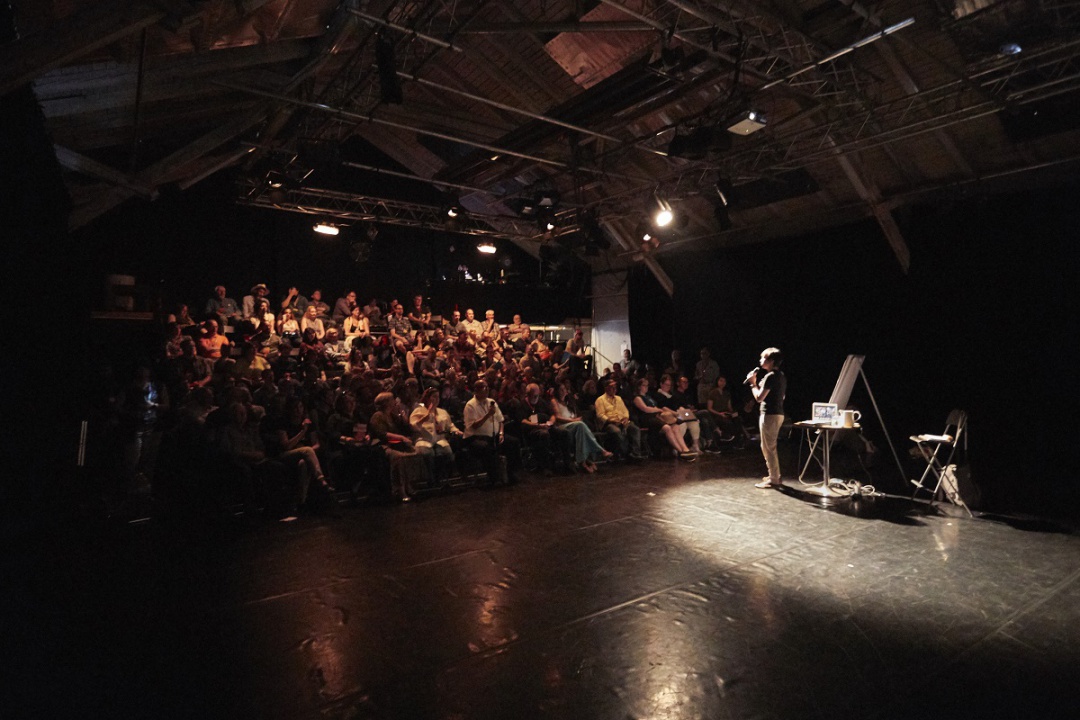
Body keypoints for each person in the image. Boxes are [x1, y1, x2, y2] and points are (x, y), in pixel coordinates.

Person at [462, 380, 520, 485]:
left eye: (487, 387)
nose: (487, 390)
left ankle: (511, 473)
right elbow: (474, 426)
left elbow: (500, 420)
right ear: (477, 390)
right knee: (486, 447)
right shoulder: (470, 405)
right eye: (484, 388)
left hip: (495, 435)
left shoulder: (491, 402)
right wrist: (488, 415)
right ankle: (494, 478)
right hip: (476, 437)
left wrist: (501, 433)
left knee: (513, 442)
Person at [550, 384, 611, 473]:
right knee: (580, 425)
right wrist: (573, 420)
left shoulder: (568, 402)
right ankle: (600, 451)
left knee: (581, 433)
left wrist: (575, 419)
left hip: (574, 426)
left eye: (564, 389)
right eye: (561, 389)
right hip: (562, 426)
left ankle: (583, 462)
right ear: (557, 391)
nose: (563, 391)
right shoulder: (554, 401)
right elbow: (558, 417)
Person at [748, 347, 786, 488]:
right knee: (768, 446)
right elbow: (782, 396)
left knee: (768, 447)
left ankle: (774, 478)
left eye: (763, 357)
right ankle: (774, 475)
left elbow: (759, 398)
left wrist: (752, 383)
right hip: (777, 414)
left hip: (770, 414)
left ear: (771, 361)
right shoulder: (781, 376)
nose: (760, 360)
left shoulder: (771, 376)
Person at [631, 377, 694, 460]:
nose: (646, 387)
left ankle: (685, 449)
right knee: (667, 428)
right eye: (644, 385)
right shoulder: (637, 398)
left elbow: (655, 407)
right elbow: (645, 409)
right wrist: (658, 409)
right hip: (647, 418)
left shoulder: (649, 397)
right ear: (639, 386)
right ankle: (680, 451)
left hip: (657, 416)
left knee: (675, 426)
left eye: (647, 385)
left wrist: (657, 409)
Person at [409, 388, 462, 482]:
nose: (437, 399)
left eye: (438, 397)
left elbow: (450, 425)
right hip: (424, 439)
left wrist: (456, 431)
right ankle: (431, 480)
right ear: (427, 398)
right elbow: (413, 426)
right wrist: (425, 417)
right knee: (428, 454)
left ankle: (444, 479)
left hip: (439, 439)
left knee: (447, 453)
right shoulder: (418, 411)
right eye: (434, 397)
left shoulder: (442, 412)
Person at [594, 378, 643, 460]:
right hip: (609, 423)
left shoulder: (619, 398)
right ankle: (624, 453)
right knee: (616, 431)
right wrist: (611, 420)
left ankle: (635, 453)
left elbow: (625, 411)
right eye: (612, 387)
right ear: (606, 388)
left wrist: (625, 418)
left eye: (615, 387)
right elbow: (600, 415)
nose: (614, 389)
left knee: (634, 428)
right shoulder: (600, 400)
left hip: (622, 421)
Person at [654, 374, 702, 454]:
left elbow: (677, 406)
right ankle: (677, 447)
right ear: (661, 384)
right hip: (667, 416)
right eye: (666, 384)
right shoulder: (658, 395)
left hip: (677, 413)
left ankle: (695, 445)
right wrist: (676, 413)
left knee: (694, 422)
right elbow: (663, 408)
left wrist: (683, 411)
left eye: (669, 385)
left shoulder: (672, 395)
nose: (668, 386)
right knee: (682, 424)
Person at [706, 375, 748, 449]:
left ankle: (738, 441)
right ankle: (726, 436)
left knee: (737, 419)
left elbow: (729, 407)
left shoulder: (726, 393)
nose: (722, 383)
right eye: (721, 381)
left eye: (724, 381)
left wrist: (732, 413)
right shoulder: (713, 392)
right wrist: (719, 414)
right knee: (726, 421)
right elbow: (709, 408)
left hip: (725, 412)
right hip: (716, 413)